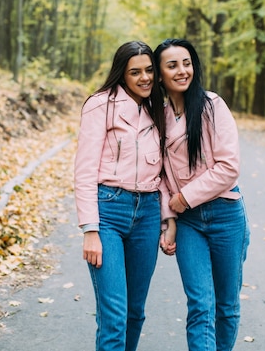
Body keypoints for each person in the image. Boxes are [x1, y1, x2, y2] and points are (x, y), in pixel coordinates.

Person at [74, 40, 173, 351]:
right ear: (122, 74)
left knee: (134, 313)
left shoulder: (160, 109)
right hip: (109, 212)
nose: (143, 77)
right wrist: (90, 230)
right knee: (114, 314)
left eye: (148, 70)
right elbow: (85, 171)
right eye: (135, 72)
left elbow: (165, 174)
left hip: (147, 214)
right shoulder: (100, 105)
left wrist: (168, 218)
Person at [155, 38, 250, 351]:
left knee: (227, 305)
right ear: (159, 74)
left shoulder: (212, 105)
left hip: (226, 215)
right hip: (190, 223)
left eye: (187, 63)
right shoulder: (158, 117)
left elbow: (228, 167)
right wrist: (169, 219)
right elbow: (159, 176)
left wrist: (183, 197)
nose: (182, 70)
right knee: (200, 304)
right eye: (172, 65)